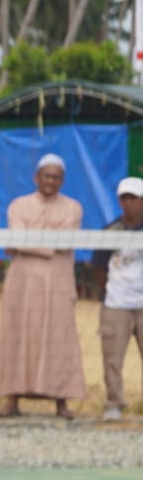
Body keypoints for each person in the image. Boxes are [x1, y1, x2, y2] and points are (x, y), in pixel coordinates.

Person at [0, 153, 87, 418]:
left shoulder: (73, 208)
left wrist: (25, 244)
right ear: (37, 177)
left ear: (62, 180)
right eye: (47, 176)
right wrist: (44, 243)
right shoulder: (18, 205)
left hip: (58, 281)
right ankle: (12, 399)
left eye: (56, 177)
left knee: (59, 337)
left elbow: (65, 242)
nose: (51, 181)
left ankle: (61, 401)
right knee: (16, 335)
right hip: (22, 282)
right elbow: (18, 238)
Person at [92, 177, 143, 420]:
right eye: (125, 198)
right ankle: (114, 403)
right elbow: (99, 267)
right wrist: (107, 292)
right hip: (116, 303)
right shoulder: (111, 231)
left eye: (134, 198)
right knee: (112, 358)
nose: (129, 203)